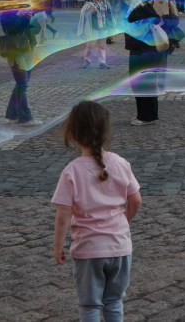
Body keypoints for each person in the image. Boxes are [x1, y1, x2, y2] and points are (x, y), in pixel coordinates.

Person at [52, 101, 142, 322]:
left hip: (89, 250)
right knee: (114, 302)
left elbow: (63, 213)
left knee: (90, 305)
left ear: (72, 133)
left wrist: (58, 246)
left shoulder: (72, 171)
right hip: (120, 247)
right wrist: (124, 220)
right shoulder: (120, 163)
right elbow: (136, 199)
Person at [125, 0, 165, 126]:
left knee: (144, 84)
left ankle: (146, 117)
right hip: (138, 50)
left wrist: (142, 5)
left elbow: (156, 19)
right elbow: (129, 20)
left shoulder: (144, 8)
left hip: (144, 51)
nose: (133, 0)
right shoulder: (130, 11)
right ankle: (146, 115)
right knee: (139, 83)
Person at [1, 0, 39, 125]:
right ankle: (25, 118)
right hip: (15, 51)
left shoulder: (25, 10)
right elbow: (10, 30)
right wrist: (19, 16)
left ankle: (11, 115)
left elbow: (32, 30)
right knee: (22, 84)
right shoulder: (6, 13)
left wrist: (30, 19)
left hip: (27, 49)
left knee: (22, 83)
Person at [78, 0, 111, 69]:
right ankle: (87, 61)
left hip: (103, 27)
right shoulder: (89, 4)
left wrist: (111, 25)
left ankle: (102, 63)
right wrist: (91, 12)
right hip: (93, 28)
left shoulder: (106, 4)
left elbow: (110, 15)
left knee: (102, 46)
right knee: (90, 45)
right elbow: (83, 14)